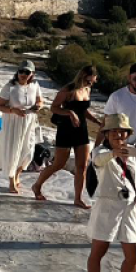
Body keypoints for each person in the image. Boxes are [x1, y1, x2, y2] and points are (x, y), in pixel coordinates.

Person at [86, 113, 136, 272]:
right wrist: (114, 153)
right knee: (99, 250)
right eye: (114, 132)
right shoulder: (99, 151)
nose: (118, 136)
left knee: (135, 256)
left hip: (129, 206)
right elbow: (98, 161)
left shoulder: (133, 153)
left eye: (122, 132)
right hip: (108, 205)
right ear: (106, 134)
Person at [33, 65, 101, 209]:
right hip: (65, 129)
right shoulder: (67, 90)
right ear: (82, 77)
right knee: (59, 163)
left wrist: (96, 121)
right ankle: (37, 185)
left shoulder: (87, 90)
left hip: (81, 130)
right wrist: (70, 113)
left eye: (93, 82)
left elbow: (83, 110)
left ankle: (78, 198)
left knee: (82, 166)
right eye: (89, 81)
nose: (91, 84)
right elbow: (54, 107)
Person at [0, 60, 44, 193]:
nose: (23, 74)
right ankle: (11, 181)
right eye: (21, 71)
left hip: (29, 122)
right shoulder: (10, 87)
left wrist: (38, 106)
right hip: (13, 123)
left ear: (32, 74)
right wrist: (13, 110)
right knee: (14, 151)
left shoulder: (35, 85)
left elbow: (40, 101)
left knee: (27, 152)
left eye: (27, 72)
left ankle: (17, 175)